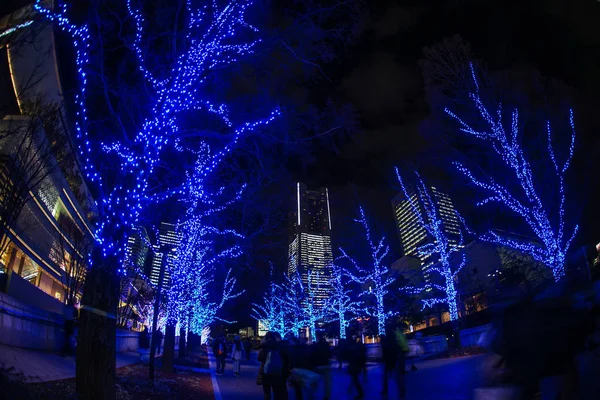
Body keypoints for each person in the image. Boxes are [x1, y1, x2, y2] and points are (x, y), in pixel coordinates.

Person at [257, 331, 290, 400]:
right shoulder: (279, 346)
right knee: (277, 391)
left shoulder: (264, 346)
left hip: (266, 370)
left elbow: (259, 358)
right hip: (277, 371)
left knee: (267, 392)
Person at [311, 332, 332, 400]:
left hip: (317, 365)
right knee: (327, 383)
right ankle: (327, 396)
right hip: (326, 365)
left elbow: (312, 355)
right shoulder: (326, 345)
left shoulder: (315, 346)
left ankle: (312, 394)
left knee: (315, 382)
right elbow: (329, 354)